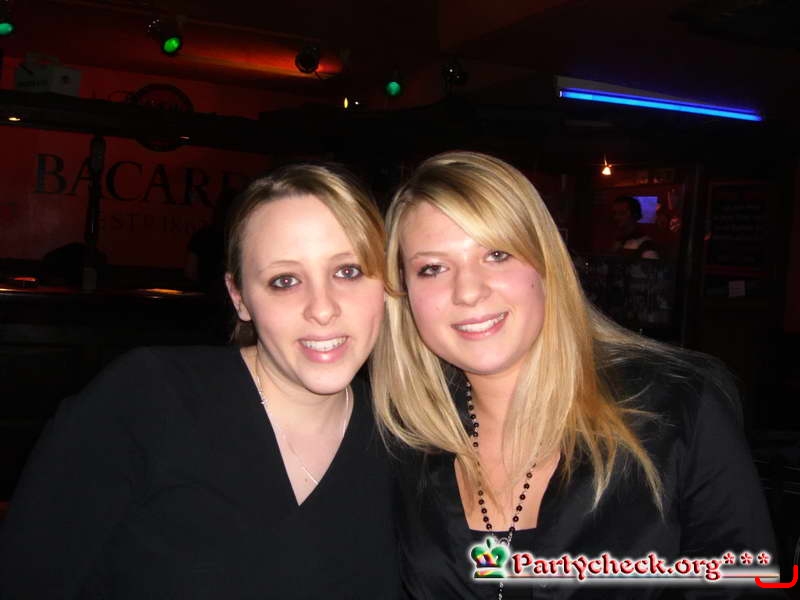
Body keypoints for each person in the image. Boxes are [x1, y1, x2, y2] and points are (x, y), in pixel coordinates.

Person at [371, 151, 776, 598]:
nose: (467, 291)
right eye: (432, 268)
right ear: (404, 294)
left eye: (497, 254)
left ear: (546, 265)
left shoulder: (679, 406)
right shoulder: (400, 437)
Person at [0, 163, 400, 599]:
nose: (322, 309)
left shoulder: (406, 438)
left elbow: (457, 573)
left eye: (348, 271)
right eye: (284, 281)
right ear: (239, 297)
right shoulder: (147, 399)